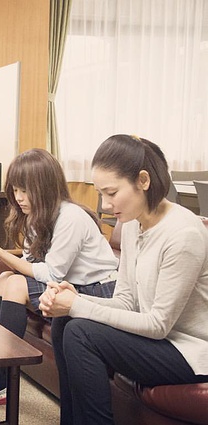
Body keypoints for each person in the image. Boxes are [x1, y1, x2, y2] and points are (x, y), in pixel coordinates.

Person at [39, 134, 208, 425]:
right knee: (65, 320)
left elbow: (158, 325)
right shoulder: (132, 224)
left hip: (189, 352)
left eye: (112, 193)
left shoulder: (183, 234)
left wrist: (77, 306)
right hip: (159, 340)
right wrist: (73, 298)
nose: (105, 205)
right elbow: (126, 301)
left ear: (143, 180)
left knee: (81, 331)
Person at [0, 148, 119, 408]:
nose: (19, 198)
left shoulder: (71, 217)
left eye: (25, 190)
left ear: (45, 187)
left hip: (98, 291)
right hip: (67, 285)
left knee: (15, 284)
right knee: (5, 279)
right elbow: (30, 263)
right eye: (15, 190)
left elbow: (52, 273)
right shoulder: (36, 216)